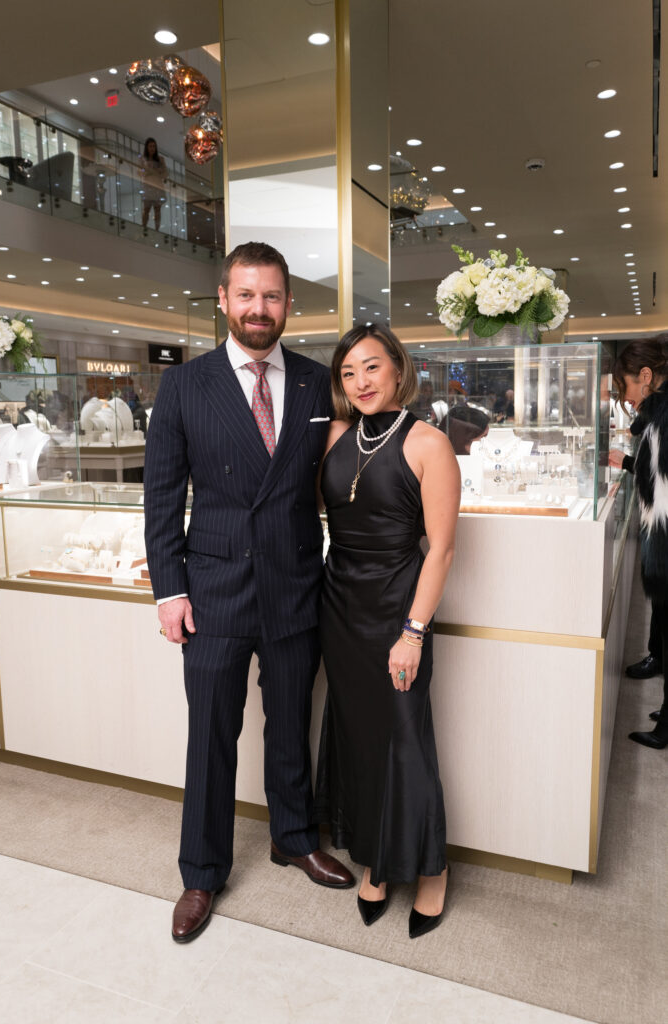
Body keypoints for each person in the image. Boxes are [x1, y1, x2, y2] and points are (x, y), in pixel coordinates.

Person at [144, 241, 354, 945]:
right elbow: (162, 497)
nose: (258, 309)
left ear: (288, 304)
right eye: (246, 296)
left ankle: (294, 836)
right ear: (224, 301)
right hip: (212, 587)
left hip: (296, 581)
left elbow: (341, 475)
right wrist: (168, 590)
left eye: (271, 296)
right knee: (211, 735)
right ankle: (201, 871)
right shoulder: (184, 385)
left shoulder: (316, 383)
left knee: (290, 721)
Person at [315, 323, 460, 938]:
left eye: (371, 368)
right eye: (349, 373)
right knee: (358, 735)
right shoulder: (337, 435)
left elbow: (442, 551)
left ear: (398, 369)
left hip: (397, 608)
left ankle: (431, 871)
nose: (361, 382)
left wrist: (413, 632)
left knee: (405, 739)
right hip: (339, 604)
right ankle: (375, 860)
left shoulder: (429, 443)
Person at [609, 336, 668, 749]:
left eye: (626, 387)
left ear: (646, 377)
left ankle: (666, 728)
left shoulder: (661, 418)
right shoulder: (657, 416)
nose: (626, 398)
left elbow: (657, 482)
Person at [139, 137, 167, 231]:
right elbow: (140, 172)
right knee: (146, 208)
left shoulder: (160, 159)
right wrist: (155, 171)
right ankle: (144, 227)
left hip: (158, 186)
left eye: (154, 146)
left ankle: (157, 229)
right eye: (150, 146)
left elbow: (165, 174)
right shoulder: (143, 159)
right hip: (148, 186)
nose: (152, 148)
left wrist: (151, 171)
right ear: (147, 147)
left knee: (157, 209)